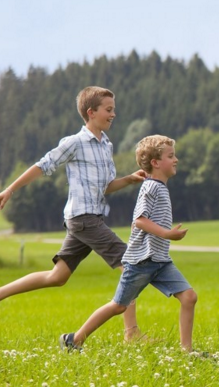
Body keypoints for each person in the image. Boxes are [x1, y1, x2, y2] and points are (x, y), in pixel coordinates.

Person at [0, 86, 147, 341]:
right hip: (83, 218)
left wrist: (129, 180)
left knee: (57, 277)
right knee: (130, 264)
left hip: (88, 219)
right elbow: (42, 165)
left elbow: (106, 187)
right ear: (91, 112)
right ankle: (131, 332)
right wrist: (10, 189)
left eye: (114, 109)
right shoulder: (75, 143)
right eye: (108, 110)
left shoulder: (106, 145)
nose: (114, 114)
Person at [60, 135, 197, 352]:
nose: (176, 159)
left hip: (160, 261)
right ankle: (73, 339)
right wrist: (166, 234)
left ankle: (187, 352)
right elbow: (139, 221)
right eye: (171, 156)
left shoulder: (160, 187)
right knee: (118, 306)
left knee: (189, 297)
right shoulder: (150, 187)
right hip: (140, 263)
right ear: (155, 162)